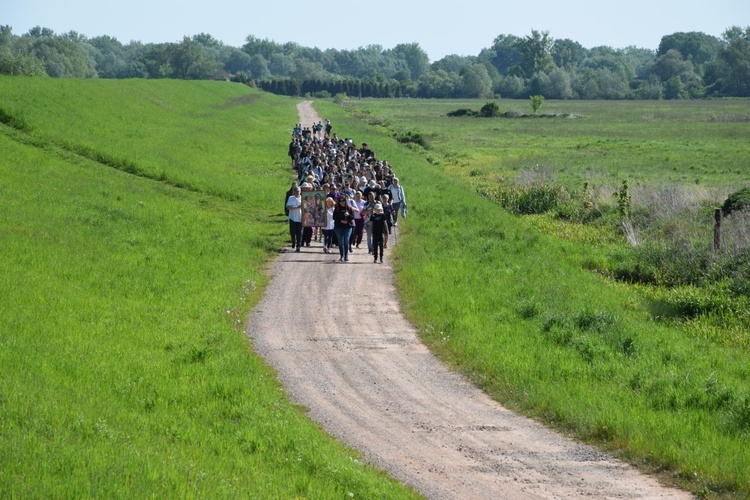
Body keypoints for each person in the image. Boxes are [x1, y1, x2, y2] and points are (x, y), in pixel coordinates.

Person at [333, 195, 354, 262]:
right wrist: (341, 221)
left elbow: (352, 217)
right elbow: (334, 217)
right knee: (340, 242)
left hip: (347, 227)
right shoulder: (337, 208)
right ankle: (341, 255)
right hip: (338, 227)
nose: (342, 202)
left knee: (346, 241)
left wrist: (348, 216)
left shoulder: (349, 208)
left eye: (343, 201)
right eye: (340, 201)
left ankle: (346, 256)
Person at [286, 186, 303, 252]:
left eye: (298, 191)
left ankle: (298, 246)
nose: (297, 193)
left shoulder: (302, 198)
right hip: (292, 217)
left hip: (300, 218)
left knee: (299, 233)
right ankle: (293, 241)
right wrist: (297, 207)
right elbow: (288, 207)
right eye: (296, 191)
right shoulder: (291, 198)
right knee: (292, 232)